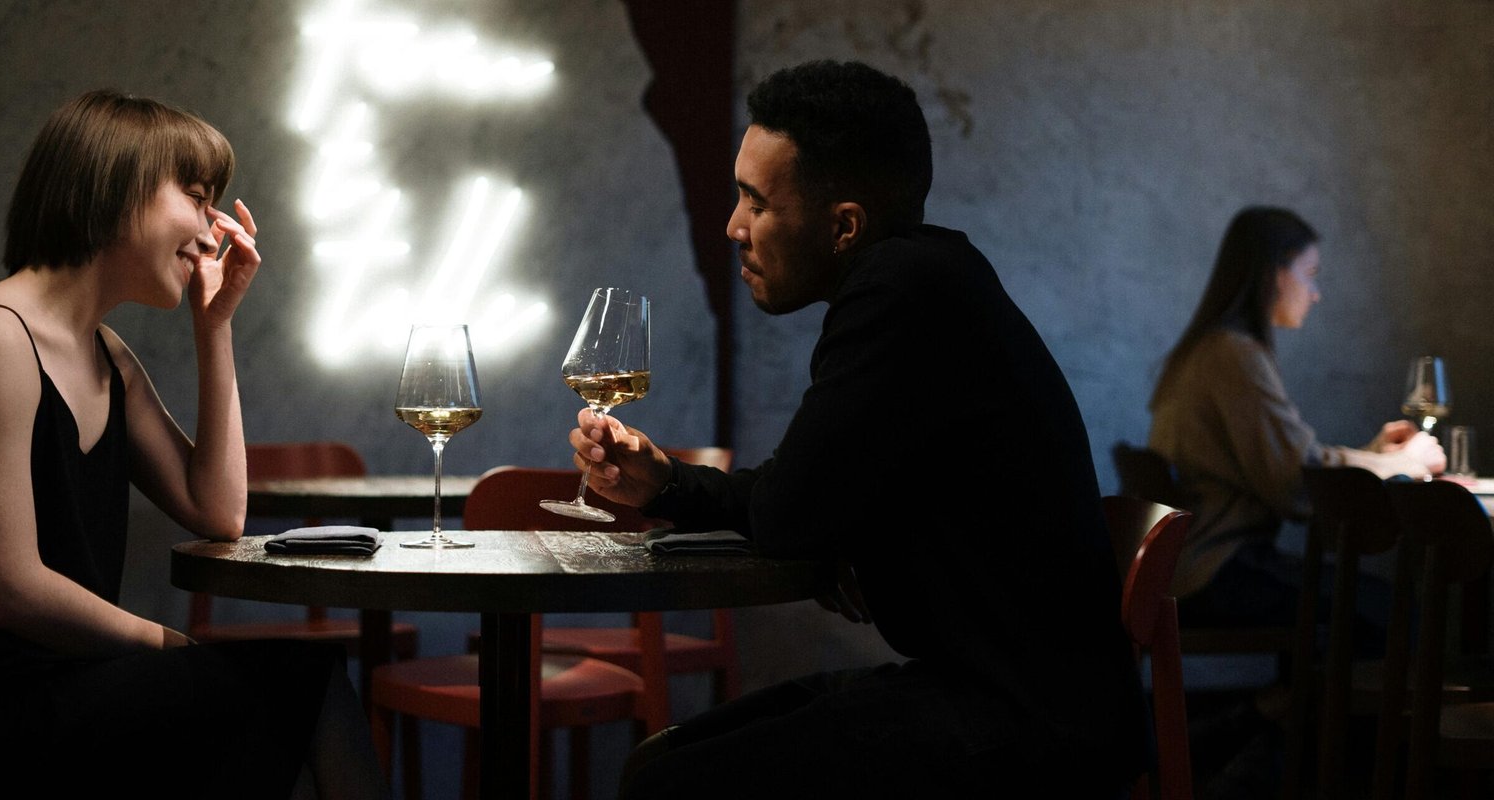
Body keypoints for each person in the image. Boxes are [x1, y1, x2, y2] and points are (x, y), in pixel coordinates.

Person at [563, 60, 1151, 798]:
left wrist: (826, 529)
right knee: (660, 762)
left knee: (670, 784)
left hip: (1028, 723)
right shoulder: (934, 278)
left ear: (843, 226)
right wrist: (669, 482)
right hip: (1010, 696)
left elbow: (789, 512)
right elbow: (807, 500)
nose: (732, 227)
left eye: (755, 201)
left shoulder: (899, 295)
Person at [0, 90, 390, 799]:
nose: (213, 226)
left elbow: (217, 511)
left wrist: (214, 326)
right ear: (115, 184)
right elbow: (12, 591)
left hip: (65, 683)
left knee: (305, 682)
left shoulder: (108, 356)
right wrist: (164, 641)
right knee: (304, 685)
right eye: (195, 195)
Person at [1145, 205, 1444, 796]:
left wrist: (1371, 454)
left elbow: (1290, 462)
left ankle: (1276, 725)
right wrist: (1400, 464)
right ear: (1274, 273)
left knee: (1365, 611)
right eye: (1310, 274)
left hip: (1193, 563)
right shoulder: (1232, 354)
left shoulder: (1209, 350)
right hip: (1220, 569)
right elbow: (1294, 484)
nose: (1316, 292)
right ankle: (1322, 764)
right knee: (1396, 613)